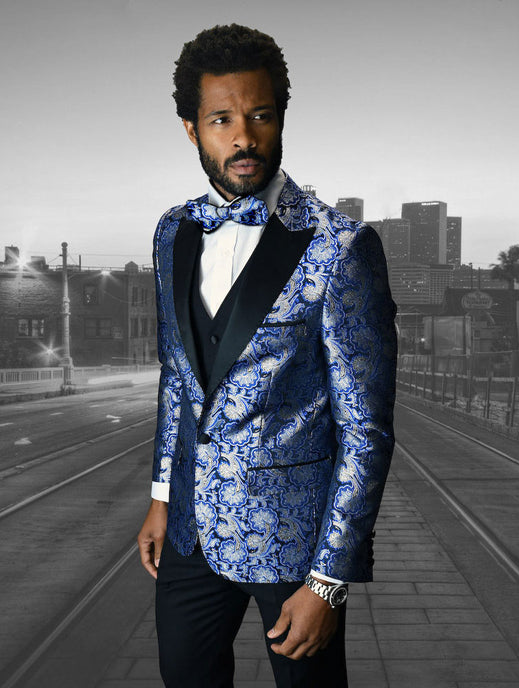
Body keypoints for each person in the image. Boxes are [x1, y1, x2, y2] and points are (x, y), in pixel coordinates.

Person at [137, 23, 397, 688]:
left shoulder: (339, 246)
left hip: (293, 546)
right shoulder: (173, 231)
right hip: (189, 538)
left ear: (280, 117)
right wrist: (163, 495)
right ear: (192, 129)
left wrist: (329, 581)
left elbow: (364, 430)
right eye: (221, 119)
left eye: (259, 116)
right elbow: (177, 375)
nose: (244, 138)